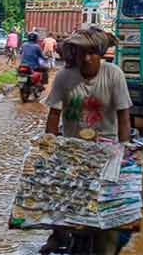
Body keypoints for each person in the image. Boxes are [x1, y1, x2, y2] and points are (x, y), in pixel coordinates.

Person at [41, 27, 133, 254]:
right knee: (57, 191)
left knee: (111, 208)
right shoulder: (64, 76)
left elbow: (123, 116)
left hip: (107, 148)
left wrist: (123, 150)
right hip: (72, 147)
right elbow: (54, 114)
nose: (87, 58)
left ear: (100, 53)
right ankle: (57, 233)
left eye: (92, 53)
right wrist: (49, 147)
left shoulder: (114, 74)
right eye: (82, 52)